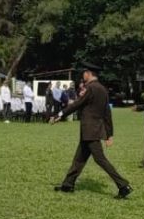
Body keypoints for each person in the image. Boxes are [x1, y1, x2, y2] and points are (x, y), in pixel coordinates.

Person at [49, 63, 133, 199]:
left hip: (90, 130)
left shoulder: (91, 88)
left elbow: (77, 104)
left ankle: (123, 185)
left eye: (84, 73)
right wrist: (109, 134)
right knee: (79, 159)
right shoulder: (103, 90)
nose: (83, 75)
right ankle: (67, 185)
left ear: (89, 73)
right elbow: (107, 113)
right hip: (93, 130)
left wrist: (60, 114)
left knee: (100, 159)